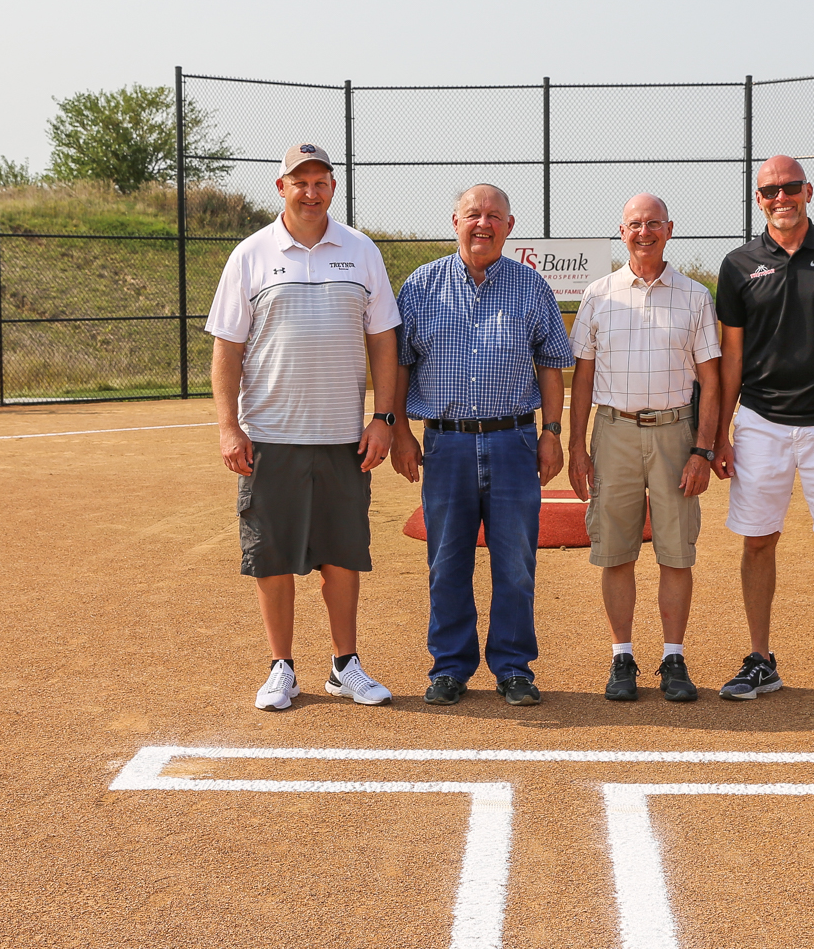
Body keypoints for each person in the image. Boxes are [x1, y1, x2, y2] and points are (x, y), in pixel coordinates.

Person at [206, 143, 401, 711]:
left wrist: (383, 418)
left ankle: (345, 665)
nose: (310, 191)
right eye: (300, 181)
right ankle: (282, 667)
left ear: (332, 188)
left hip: (344, 437)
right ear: (281, 187)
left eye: (320, 181)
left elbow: (383, 339)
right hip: (269, 435)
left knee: (342, 556)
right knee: (273, 557)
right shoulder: (250, 254)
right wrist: (228, 427)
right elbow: (227, 349)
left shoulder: (361, 252)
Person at [390, 184, 574, 707]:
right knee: (447, 560)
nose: (483, 224)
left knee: (514, 563)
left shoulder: (530, 287)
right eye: (473, 214)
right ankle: (450, 667)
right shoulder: (422, 285)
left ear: (510, 226)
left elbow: (551, 364)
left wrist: (552, 432)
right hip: (445, 445)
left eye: (494, 216)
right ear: (455, 221)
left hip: (514, 440)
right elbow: (399, 364)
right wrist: (400, 429)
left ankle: (513, 667)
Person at [713, 155, 814, 707]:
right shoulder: (738, 265)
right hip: (760, 423)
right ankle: (761, 661)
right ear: (757, 200)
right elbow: (730, 359)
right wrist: (720, 434)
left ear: (808, 191)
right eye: (768, 191)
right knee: (758, 541)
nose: (780, 198)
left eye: (789, 188)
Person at [567, 195, 721, 702]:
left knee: (677, 552)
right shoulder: (598, 294)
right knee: (615, 550)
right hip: (614, 433)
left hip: (677, 434)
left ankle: (673, 658)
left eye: (654, 223)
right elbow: (583, 376)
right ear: (622, 231)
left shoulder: (696, 296)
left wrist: (703, 448)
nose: (644, 232)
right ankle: (623, 658)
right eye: (635, 224)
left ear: (670, 229)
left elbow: (711, 379)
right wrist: (577, 447)